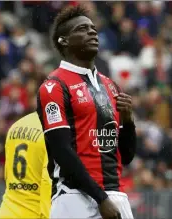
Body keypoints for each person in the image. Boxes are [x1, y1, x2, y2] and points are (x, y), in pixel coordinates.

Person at [36, 5, 136, 219]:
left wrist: (128, 122)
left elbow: (125, 156)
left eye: (92, 28)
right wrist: (100, 198)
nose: (92, 32)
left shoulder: (111, 86)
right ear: (64, 40)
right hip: (74, 198)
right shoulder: (54, 86)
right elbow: (62, 151)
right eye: (82, 29)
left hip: (115, 196)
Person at [0, 112, 51, 219]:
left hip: (6, 211)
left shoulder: (15, 126)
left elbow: (8, 174)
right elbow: (47, 182)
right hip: (33, 213)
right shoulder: (53, 131)